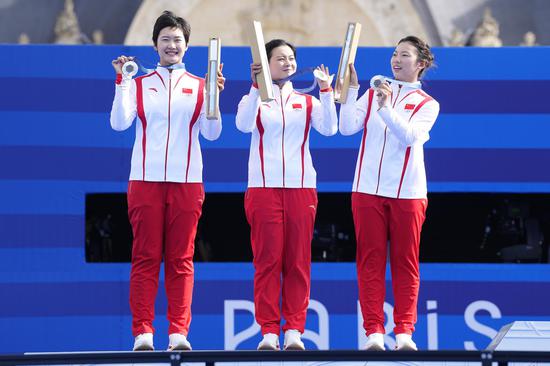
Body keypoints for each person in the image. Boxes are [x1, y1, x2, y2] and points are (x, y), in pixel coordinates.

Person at [109, 10, 225, 351]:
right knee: (145, 256)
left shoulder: (200, 86)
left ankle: (178, 333)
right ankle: (143, 332)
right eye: (165, 39)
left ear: (187, 46)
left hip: (187, 181)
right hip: (144, 179)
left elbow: (213, 133)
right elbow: (119, 123)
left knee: (181, 258)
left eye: (178, 40)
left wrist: (214, 99)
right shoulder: (140, 83)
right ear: (155, 45)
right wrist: (122, 82)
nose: (171, 45)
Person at [236, 39, 337, 350]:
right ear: (266, 65)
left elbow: (330, 129)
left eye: (291, 58)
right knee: (267, 261)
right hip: (263, 189)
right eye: (280, 58)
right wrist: (255, 88)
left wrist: (326, 91)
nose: (288, 63)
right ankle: (268, 331)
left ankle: (294, 329)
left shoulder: (307, 102)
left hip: (301, 188)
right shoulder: (253, 100)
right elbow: (241, 125)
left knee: (297, 262)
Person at [339, 36, 439, 351]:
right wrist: (352, 91)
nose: (396, 60)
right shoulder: (373, 93)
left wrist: (383, 108)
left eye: (405, 55)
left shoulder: (428, 104)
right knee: (369, 261)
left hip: (408, 192)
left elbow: (409, 137)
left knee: (404, 262)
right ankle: (373, 333)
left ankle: (405, 332)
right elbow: (346, 128)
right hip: (366, 190)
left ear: (421, 64)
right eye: (395, 54)